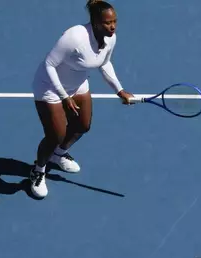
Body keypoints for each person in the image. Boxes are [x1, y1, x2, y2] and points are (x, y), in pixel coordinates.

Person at [29, 0, 135, 198]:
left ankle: (58, 154)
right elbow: (49, 65)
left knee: (82, 126)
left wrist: (119, 90)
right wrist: (63, 96)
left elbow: (104, 63)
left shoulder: (110, 38)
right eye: (107, 23)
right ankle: (38, 169)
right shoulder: (74, 37)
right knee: (55, 135)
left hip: (77, 84)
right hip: (50, 87)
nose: (112, 26)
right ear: (95, 22)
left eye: (115, 21)